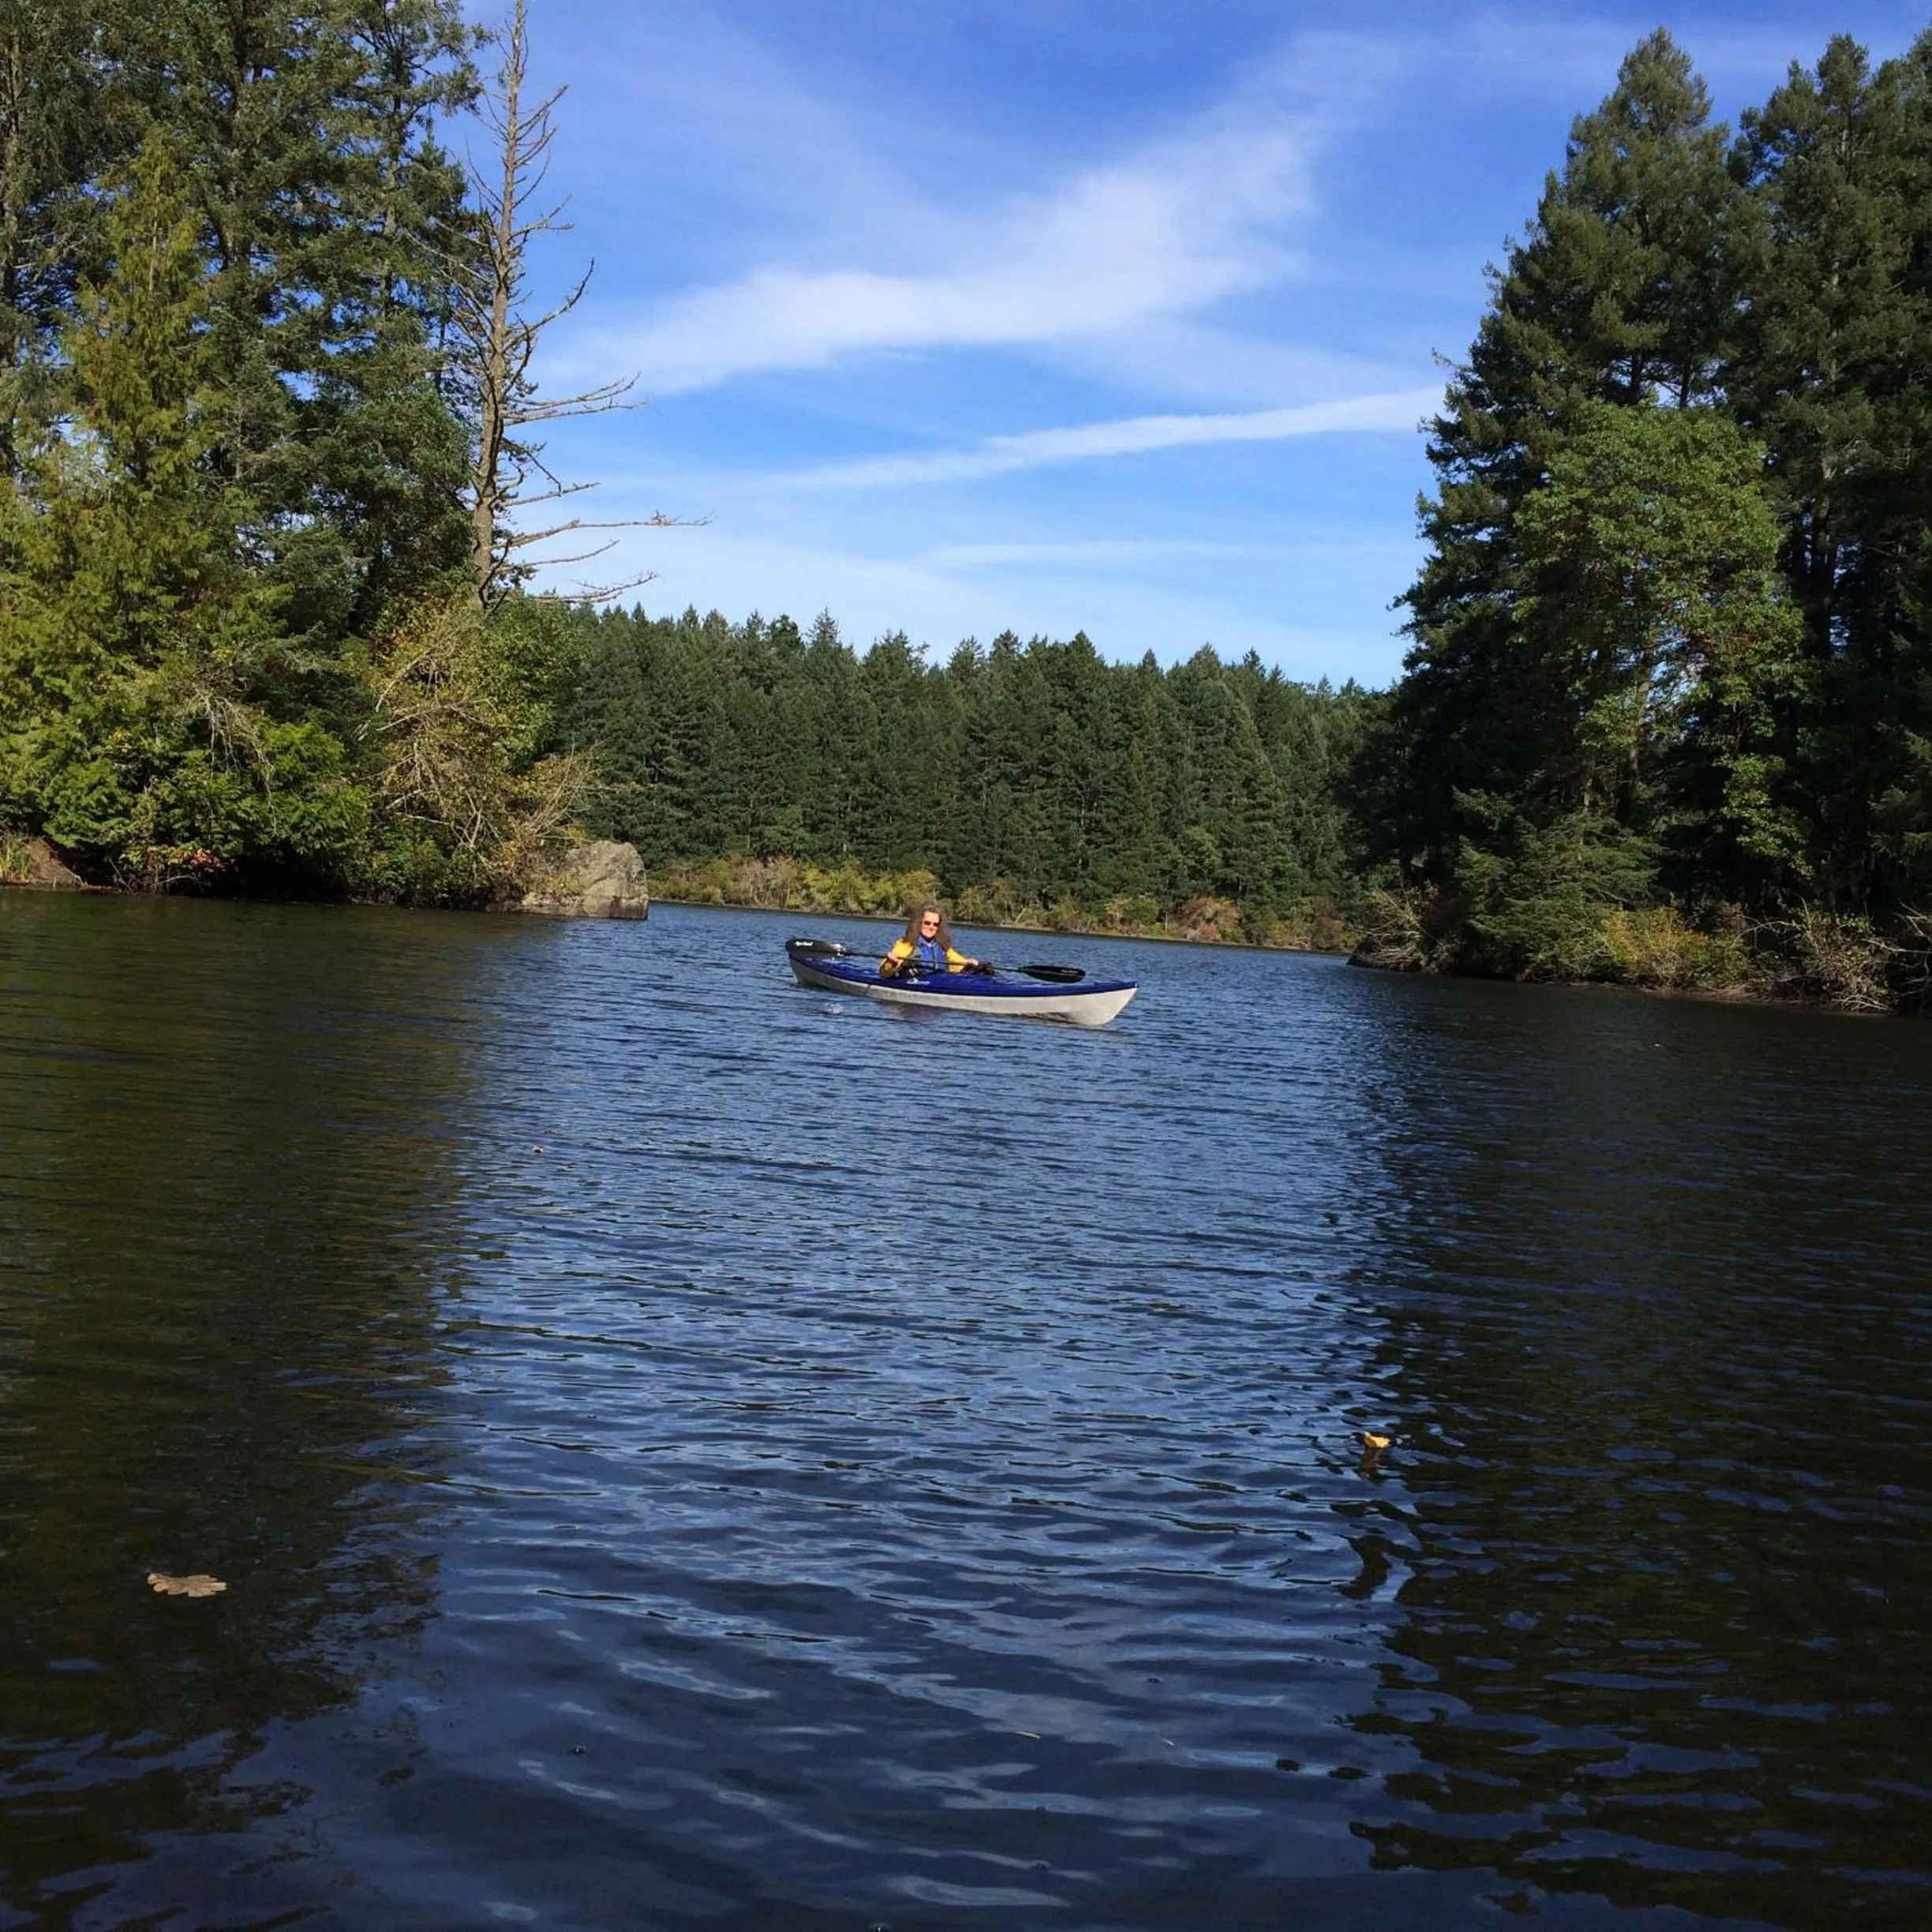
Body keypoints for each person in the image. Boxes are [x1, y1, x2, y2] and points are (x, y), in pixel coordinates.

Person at [879, 904, 990, 976]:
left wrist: (971, 964)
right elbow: (885, 972)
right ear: (918, 923)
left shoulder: (943, 947)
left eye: (935, 924)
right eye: (927, 923)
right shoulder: (906, 944)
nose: (931, 927)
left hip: (939, 983)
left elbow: (958, 962)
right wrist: (891, 962)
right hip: (914, 984)